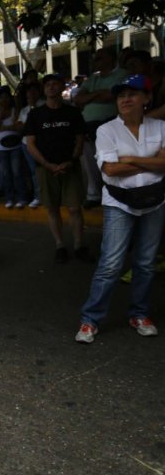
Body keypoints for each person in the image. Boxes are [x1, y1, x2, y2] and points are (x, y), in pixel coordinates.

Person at [76, 74, 165, 344]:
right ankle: (90, 319)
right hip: (119, 202)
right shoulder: (106, 131)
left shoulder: (160, 127)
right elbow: (110, 170)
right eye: (121, 95)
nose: (126, 99)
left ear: (147, 98)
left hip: (155, 201)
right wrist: (151, 161)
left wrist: (130, 159)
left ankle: (139, 314)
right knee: (111, 263)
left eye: (133, 93)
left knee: (146, 263)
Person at [26, 74, 91, 264]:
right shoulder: (35, 115)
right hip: (45, 168)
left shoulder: (72, 112)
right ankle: (60, 245)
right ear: (43, 89)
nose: (51, 87)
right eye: (47, 84)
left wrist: (71, 161)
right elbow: (30, 144)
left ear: (62, 87)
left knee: (74, 208)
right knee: (52, 209)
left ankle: (79, 245)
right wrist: (47, 164)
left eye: (55, 83)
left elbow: (80, 140)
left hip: (70, 166)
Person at [74, 48, 127, 209]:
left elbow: (112, 95)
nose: (95, 61)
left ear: (111, 59)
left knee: (110, 161)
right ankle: (94, 194)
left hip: (110, 124)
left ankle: (115, 193)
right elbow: (78, 98)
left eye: (99, 58)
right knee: (91, 163)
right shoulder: (92, 78)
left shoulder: (121, 74)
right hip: (88, 127)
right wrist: (98, 94)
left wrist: (89, 97)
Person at [0, 87, 27, 208]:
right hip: (1, 147)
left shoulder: (15, 110)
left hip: (15, 145)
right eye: (1, 97)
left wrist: (5, 128)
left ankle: (22, 198)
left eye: (6, 97)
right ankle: (10, 198)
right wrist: (0, 116)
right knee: (6, 173)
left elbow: (19, 127)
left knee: (17, 172)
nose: (4, 100)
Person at [16, 82, 44, 208]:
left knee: (40, 170)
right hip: (26, 144)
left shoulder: (43, 106)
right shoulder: (24, 110)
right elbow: (20, 127)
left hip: (41, 144)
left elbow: (35, 126)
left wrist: (27, 125)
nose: (31, 97)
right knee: (32, 171)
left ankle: (42, 196)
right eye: (28, 96)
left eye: (33, 94)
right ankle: (37, 196)